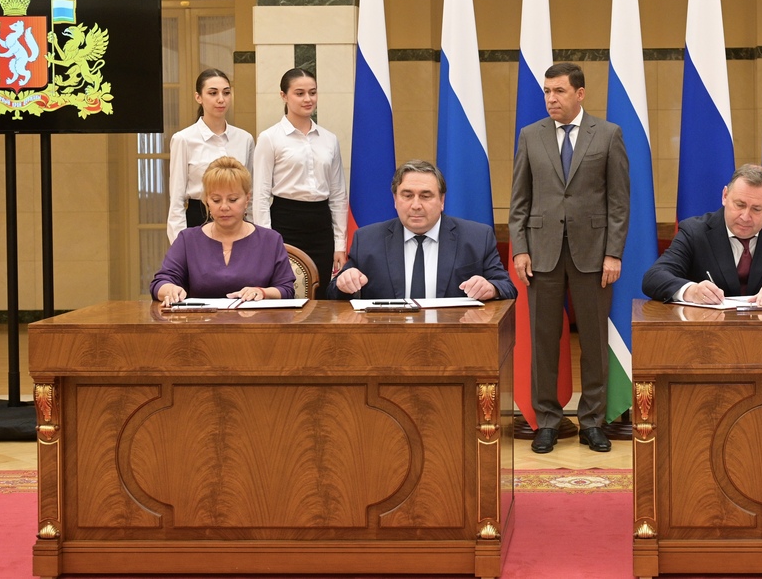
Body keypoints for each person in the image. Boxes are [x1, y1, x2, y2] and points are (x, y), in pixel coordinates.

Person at [510, 62, 629, 455]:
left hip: (593, 254)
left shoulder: (608, 134)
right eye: (546, 91)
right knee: (544, 340)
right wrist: (521, 248)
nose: (550, 99)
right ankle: (547, 420)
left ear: (579, 94)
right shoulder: (530, 136)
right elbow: (519, 201)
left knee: (593, 342)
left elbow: (618, 202)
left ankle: (592, 422)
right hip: (541, 253)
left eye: (558, 91)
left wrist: (613, 253)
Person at [328, 160, 517, 301]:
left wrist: (491, 288)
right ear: (395, 199)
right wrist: (344, 283)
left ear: (442, 201)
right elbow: (334, 292)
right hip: (388, 343)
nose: (416, 205)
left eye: (426, 196)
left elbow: (507, 287)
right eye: (407, 195)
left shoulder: (476, 237)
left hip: (455, 342)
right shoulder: (368, 239)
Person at [643, 163, 762, 307]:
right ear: (725, 196)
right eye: (739, 205)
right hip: (708, 335)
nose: (745, 217)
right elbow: (654, 277)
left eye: (756, 209)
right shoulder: (695, 231)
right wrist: (691, 291)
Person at [152, 157, 295, 305]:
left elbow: (286, 290)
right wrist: (169, 289)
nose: (224, 207)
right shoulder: (188, 239)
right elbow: (161, 282)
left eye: (233, 200)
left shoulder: (270, 240)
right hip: (201, 325)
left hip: (256, 325)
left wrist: (262, 292)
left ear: (247, 199)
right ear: (206, 200)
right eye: (216, 200)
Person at [252, 68, 348, 285]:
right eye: (300, 93)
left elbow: (338, 194)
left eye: (312, 93)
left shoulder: (329, 139)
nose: (308, 99)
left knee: (321, 292)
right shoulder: (269, 138)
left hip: (321, 226)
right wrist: (266, 242)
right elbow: (260, 195)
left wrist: (340, 243)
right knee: (286, 290)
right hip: (285, 223)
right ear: (284, 96)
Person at [167, 69, 255, 243]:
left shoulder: (245, 139)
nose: (221, 99)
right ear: (198, 97)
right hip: (199, 219)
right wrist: (179, 245)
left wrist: (253, 231)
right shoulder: (183, 139)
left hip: (238, 223)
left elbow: (249, 193)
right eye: (213, 93)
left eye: (226, 92)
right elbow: (176, 200)